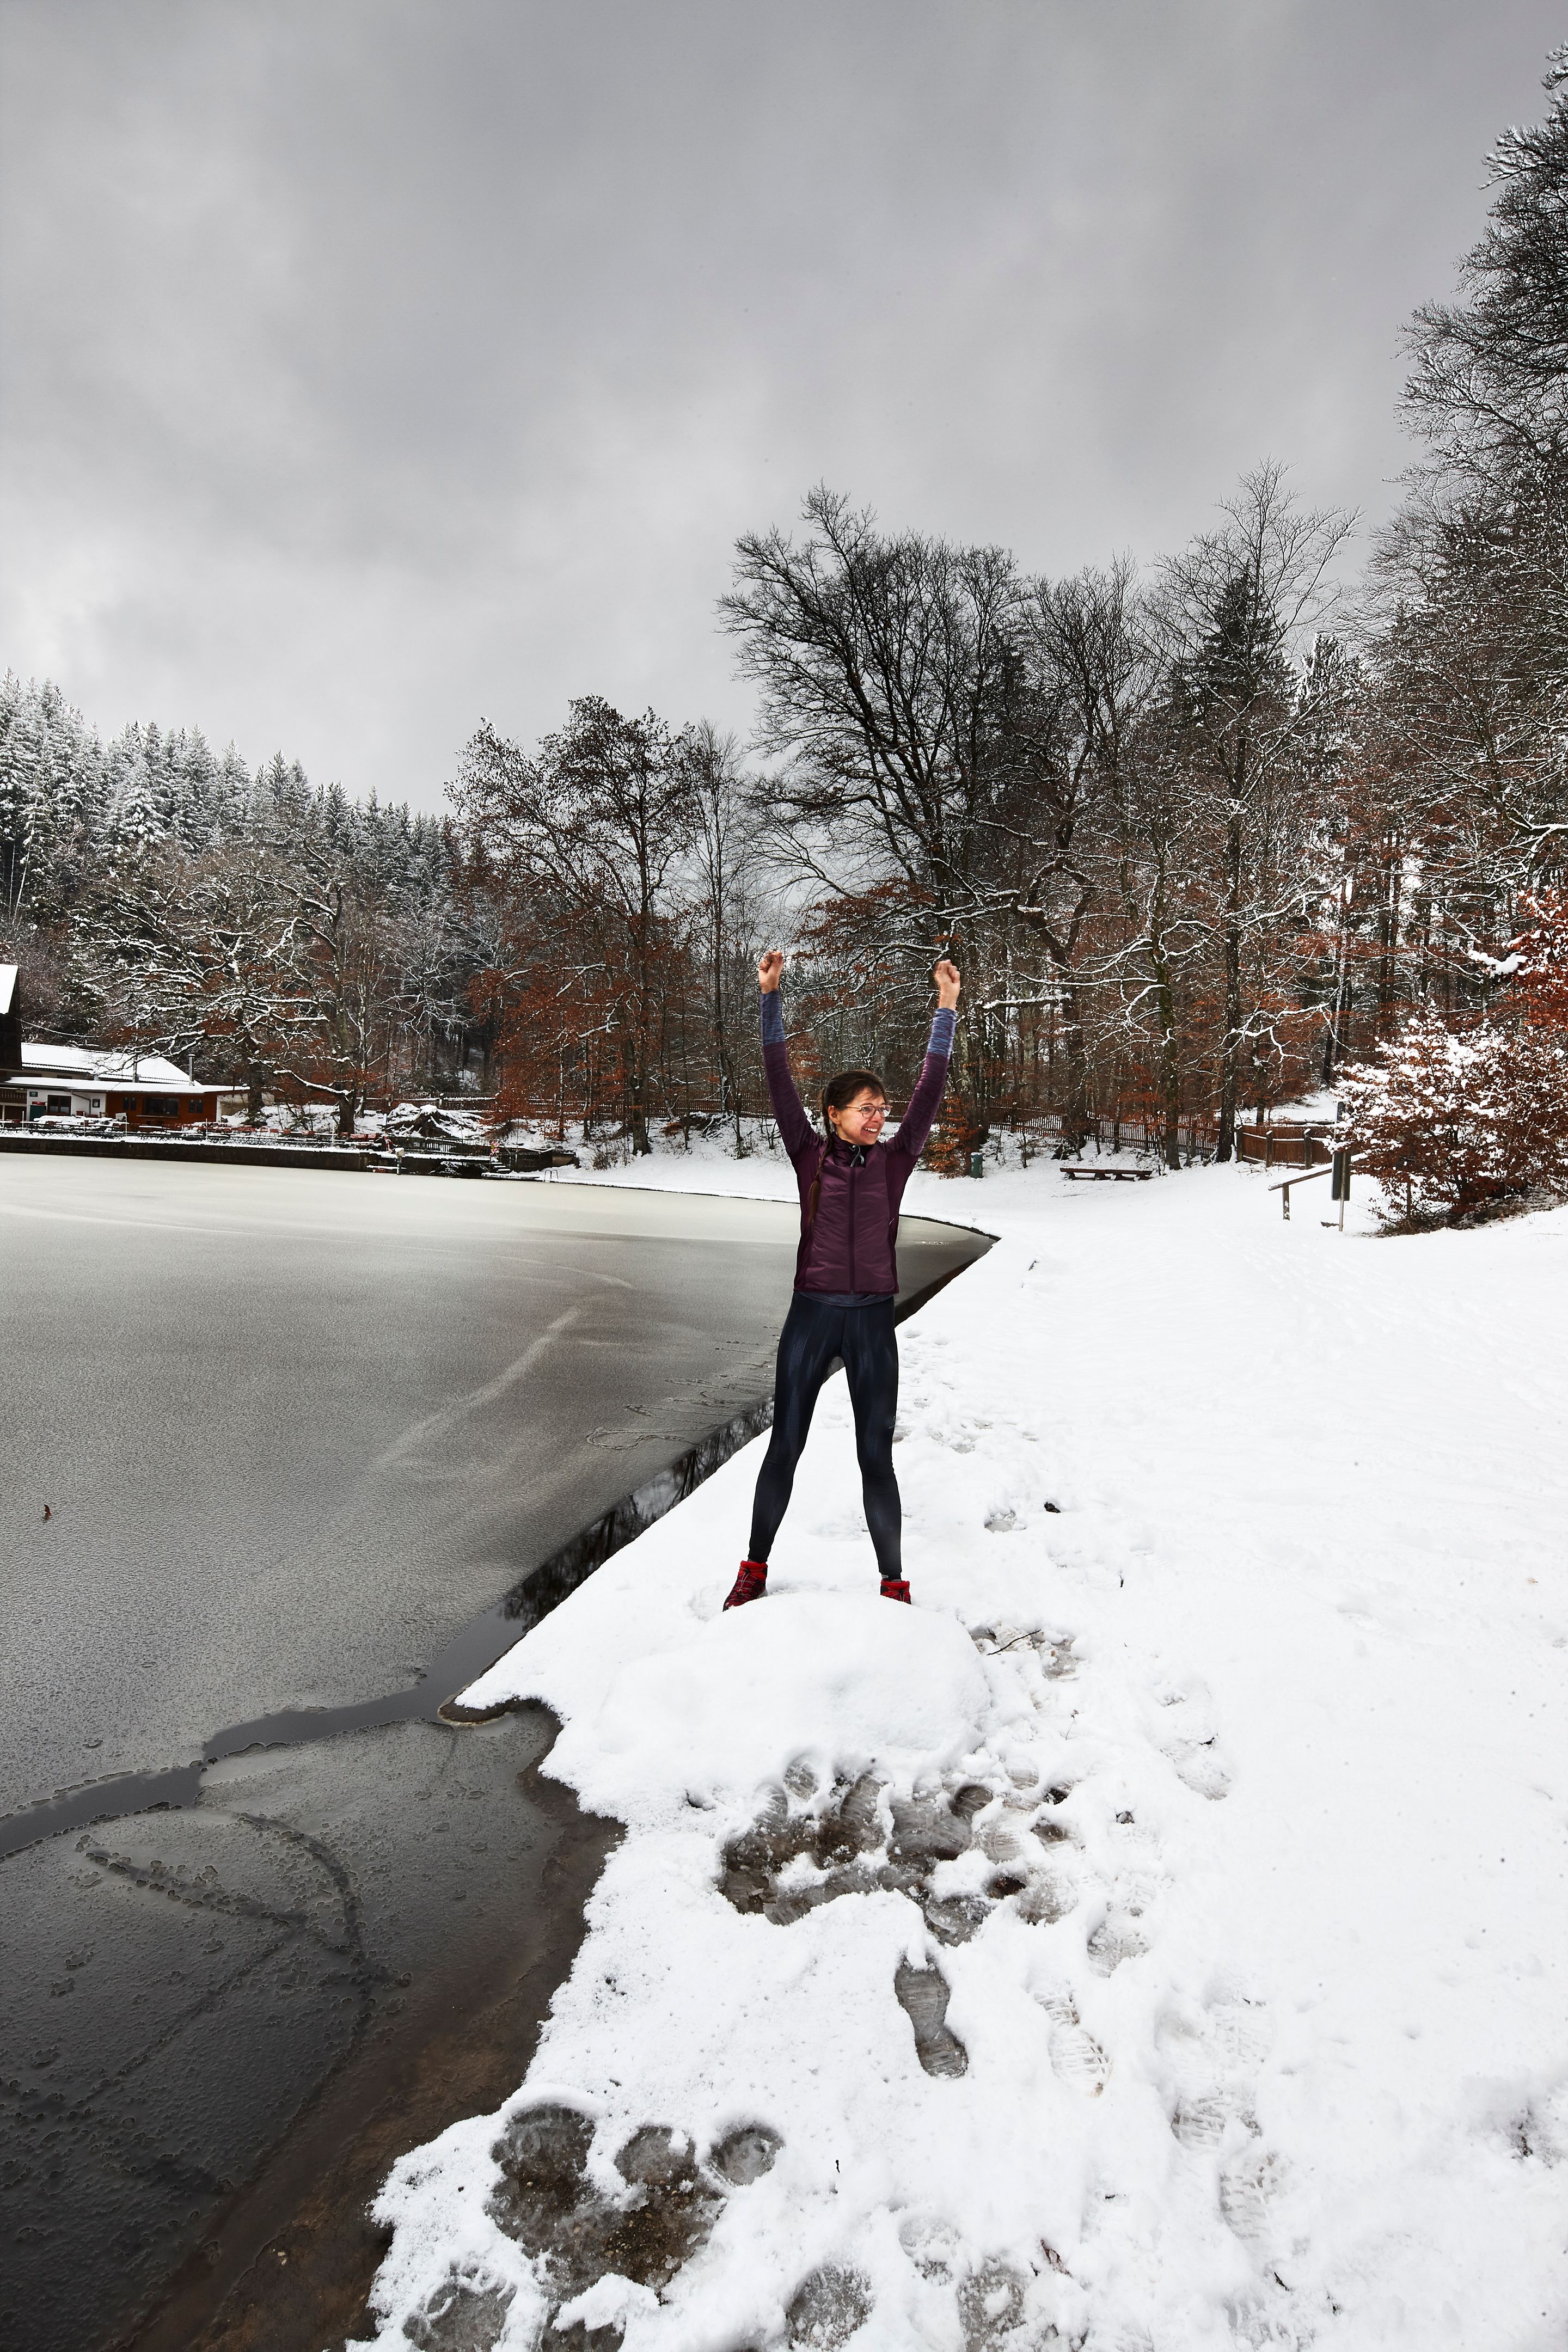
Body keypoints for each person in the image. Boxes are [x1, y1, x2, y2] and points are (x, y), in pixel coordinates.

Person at [723, 951, 961, 1611]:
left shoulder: (896, 1161)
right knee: (787, 1444)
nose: (879, 1116)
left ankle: (894, 1582)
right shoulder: (808, 1156)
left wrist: (946, 1009)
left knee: (875, 1453)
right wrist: (770, 996)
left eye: (882, 1108)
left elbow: (930, 1088)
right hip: (812, 1316)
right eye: (865, 1108)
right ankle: (754, 1569)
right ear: (832, 1114)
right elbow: (776, 1074)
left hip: (871, 1323)